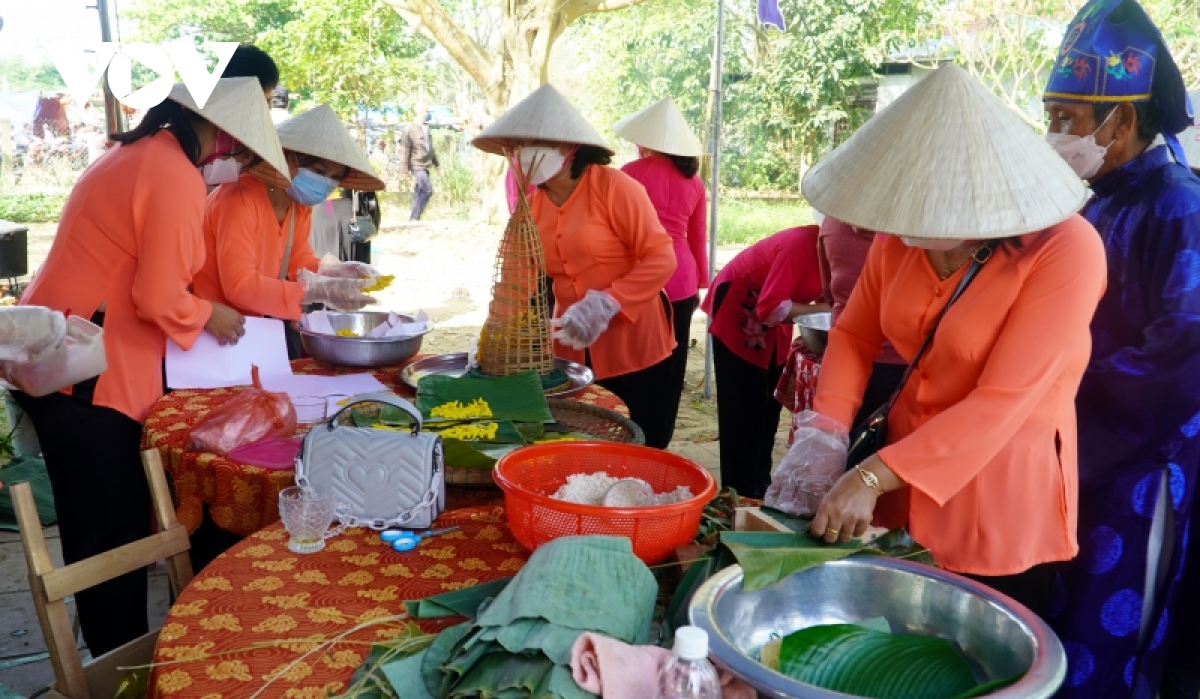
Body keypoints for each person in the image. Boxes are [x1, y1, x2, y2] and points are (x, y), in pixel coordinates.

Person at [766, 63, 1104, 619]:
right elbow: (853, 332)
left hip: (998, 497)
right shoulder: (900, 235)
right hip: (896, 485)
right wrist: (824, 430)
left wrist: (869, 475)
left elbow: (1003, 402)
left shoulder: (1067, 251)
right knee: (890, 634)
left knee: (974, 656)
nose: (902, 231)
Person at [10, 77, 287, 656]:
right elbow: (160, 298)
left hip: (72, 357)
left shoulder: (142, 153)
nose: (239, 153)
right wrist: (208, 312)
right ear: (222, 121)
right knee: (112, 535)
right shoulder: (171, 171)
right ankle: (121, 668)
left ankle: (120, 651)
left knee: (108, 525)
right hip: (85, 370)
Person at [1039, 1, 1200, 695]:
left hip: (1141, 457)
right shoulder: (1097, 194)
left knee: (1114, 624)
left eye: (1066, 119)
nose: (1054, 135)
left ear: (1123, 120)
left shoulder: (1181, 205)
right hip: (1073, 438)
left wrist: (1064, 391)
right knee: (1060, 606)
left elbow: (1182, 351)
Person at [471, 84, 678, 448]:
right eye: (517, 145)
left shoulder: (616, 187)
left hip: (635, 343)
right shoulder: (533, 205)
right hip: (570, 345)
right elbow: (516, 279)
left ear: (569, 148)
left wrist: (605, 304)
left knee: (641, 445)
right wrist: (495, 334)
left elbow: (662, 257)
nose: (523, 153)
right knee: (582, 444)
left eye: (533, 142)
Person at [194, 104, 384, 326]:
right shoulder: (239, 199)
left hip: (252, 325)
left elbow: (297, 260)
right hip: (210, 325)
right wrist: (313, 291)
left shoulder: (298, 206)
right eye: (319, 171)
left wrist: (334, 271)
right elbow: (240, 285)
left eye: (333, 177)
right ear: (285, 159)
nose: (325, 182)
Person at [702, 227, 826, 498]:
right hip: (741, 305)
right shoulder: (800, 246)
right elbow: (771, 308)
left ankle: (761, 487)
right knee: (743, 410)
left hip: (775, 321)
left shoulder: (837, 256)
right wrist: (828, 310)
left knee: (768, 409)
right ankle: (739, 493)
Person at [615, 97, 708, 446]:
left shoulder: (629, 174)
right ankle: (660, 438)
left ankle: (631, 430)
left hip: (640, 277)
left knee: (635, 357)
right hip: (682, 280)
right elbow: (698, 236)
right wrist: (701, 283)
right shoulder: (694, 182)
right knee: (672, 361)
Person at [817, 217, 907, 428]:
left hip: (845, 366)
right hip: (906, 363)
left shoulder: (832, 224)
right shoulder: (916, 236)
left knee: (848, 447)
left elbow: (829, 294)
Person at [400, 104, 439, 221]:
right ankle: (415, 217)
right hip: (416, 164)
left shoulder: (426, 128)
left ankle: (414, 218)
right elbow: (405, 150)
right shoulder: (410, 129)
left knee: (420, 191)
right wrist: (404, 170)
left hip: (426, 164)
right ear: (421, 113)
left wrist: (437, 164)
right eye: (427, 112)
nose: (428, 115)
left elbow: (431, 149)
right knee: (427, 190)